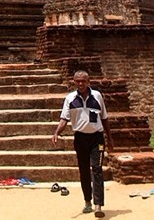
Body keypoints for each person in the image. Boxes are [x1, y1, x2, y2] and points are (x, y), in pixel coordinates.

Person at [51, 70, 113, 218]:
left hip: (97, 138)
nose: (80, 84)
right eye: (77, 81)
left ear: (88, 81)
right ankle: (87, 201)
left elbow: (104, 118)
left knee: (97, 169)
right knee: (84, 170)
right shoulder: (70, 99)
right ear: (74, 82)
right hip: (80, 139)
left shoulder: (97, 96)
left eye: (83, 81)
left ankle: (98, 204)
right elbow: (64, 119)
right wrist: (56, 132)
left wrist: (109, 138)